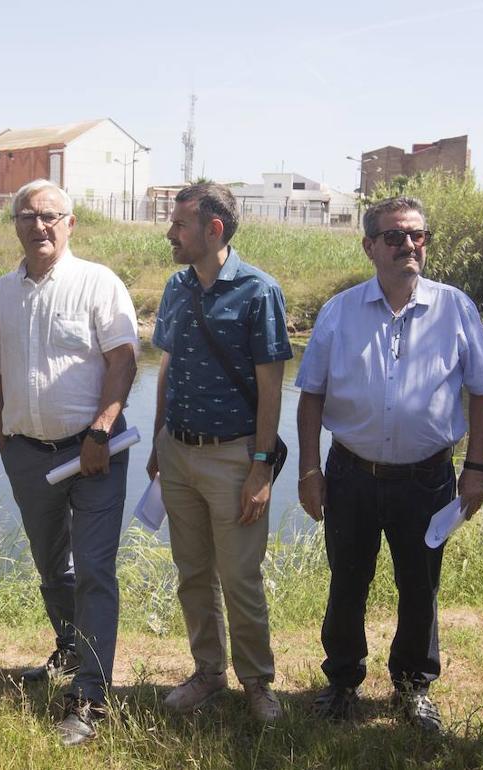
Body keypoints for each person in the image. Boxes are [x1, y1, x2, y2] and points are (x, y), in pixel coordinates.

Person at [295, 195, 483, 732]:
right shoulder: (339, 311)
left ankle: (413, 687)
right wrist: (309, 471)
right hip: (350, 474)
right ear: (369, 246)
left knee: (420, 585)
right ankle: (342, 680)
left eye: (417, 235)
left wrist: (476, 468)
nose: (409, 245)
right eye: (394, 236)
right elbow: (311, 396)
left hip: (427, 477)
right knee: (347, 582)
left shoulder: (456, 307)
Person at [0, 179, 138, 746]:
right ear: (14, 224)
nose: (38, 226)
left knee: (93, 568)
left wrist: (100, 431)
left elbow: (122, 363)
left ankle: (88, 695)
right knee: (51, 565)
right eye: (27, 216)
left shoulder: (98, 284)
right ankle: (68, 647)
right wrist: (4, 439)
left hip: (95, 453)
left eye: (50, 216)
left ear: (70, 223)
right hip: (28, 456)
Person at [146, 183, 292, 722]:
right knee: (192, 572)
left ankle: (257, 682)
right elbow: (165, 365)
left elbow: (271, 385)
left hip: (235, 458)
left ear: (214, 229)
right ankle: (209, 671)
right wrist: (159, 437)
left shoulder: (258, 291)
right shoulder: (175, 287)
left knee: (240, 577)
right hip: (178, 452)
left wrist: (260, 467)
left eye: (180, 224)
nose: (170, 233)